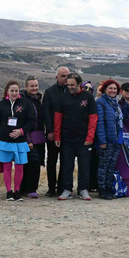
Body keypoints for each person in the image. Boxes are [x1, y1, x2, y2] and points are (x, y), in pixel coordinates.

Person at [55, 73, 96, 200]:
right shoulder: (63, 97)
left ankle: (83, 189)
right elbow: (58, 117)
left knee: (84, 165)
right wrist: (57, 136)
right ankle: (67, 189)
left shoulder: (88, 98)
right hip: (67, 137)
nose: (70, 87)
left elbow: (93, 118)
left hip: (83, 138)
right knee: (67, 164)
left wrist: (90, 137)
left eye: (72, 85)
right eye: (68, 85)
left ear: (79, 84)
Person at [0, 80, 37, 201]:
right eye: (12, 91)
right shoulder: (2, 104)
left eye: (16, 91)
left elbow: (31, 121)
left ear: (19, 91)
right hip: (5, 141)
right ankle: (9, 192)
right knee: (7, 167)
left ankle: (17, 191)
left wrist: (21, 131)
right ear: (7, 91)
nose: (14, 93)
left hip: (20, 141)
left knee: (19, 167)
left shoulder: (26, 103)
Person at [42, 67, 71, 197]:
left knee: (65, 161)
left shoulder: (72, 91)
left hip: (67, 132)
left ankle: (61, 187)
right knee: (52, 160)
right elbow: (46, 112)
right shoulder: (49, 92)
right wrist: (50, 131)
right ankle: (51, 188)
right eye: (63, 76)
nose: (66, 78)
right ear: (57, 77)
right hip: (53, 132)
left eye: (67, 76)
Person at [95, 80, 125, 199]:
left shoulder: (116, 103)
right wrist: (102, 140)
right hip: (106, 140)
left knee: (111, 166)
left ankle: (108, 187)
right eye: (110, 88)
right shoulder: (100, 102)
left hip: (116, 139)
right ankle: (102, 189)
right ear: (105, 89)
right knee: (103, 166)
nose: (113, 91)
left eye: (115, 89)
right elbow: (100, 123)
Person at [19, 77, 46, 198]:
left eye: (36, 85)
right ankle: (26, 188)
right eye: (32, 86)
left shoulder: (39, 99)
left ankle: (31, 188)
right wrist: (28, 139)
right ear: (26, 87)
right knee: (30, 161)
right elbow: (24, 120)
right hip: (27, 135)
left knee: (37, 162)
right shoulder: (22, 101)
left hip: (39, 136)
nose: (34, 88)